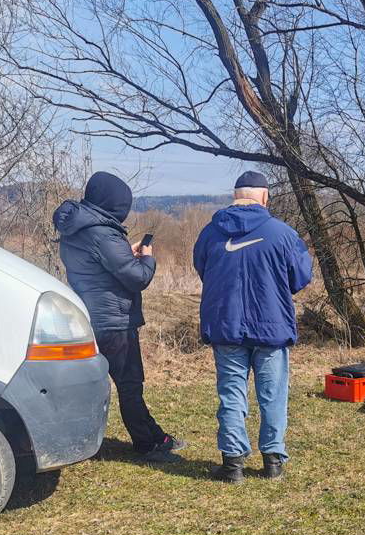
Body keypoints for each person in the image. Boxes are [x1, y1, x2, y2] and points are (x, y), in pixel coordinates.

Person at [54, 171, 185, 463]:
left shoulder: (77, 227)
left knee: (100, 383)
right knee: (129, 384)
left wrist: (125, 251)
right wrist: (147, 256)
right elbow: (137, 277)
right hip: (114, 320)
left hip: (90, 315)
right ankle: (147, 443)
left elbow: (102, 265)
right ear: (113, 204)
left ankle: (153, 435)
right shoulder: (103, 233)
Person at [193, 171, 313, 483]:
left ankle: (233, 465)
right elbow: (300, 276)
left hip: (226, 324)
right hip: (271, 326)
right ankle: (273, 462)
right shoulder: (283, 234)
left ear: (235, 195)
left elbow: (203, 269)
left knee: (232, 394)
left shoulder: (210, 233)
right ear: (264, 197)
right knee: (273, 395)